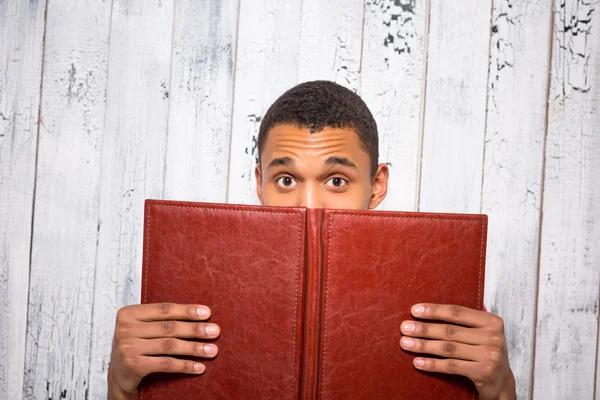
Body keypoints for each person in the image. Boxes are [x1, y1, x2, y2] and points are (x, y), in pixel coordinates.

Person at [107, 81, 517, 399]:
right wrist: (123, 386)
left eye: (336, 180)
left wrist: (498, 389)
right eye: (286, 179)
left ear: (376, 186)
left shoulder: (448, 305)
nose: (308, 205)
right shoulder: (188, 289)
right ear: (259, 183)